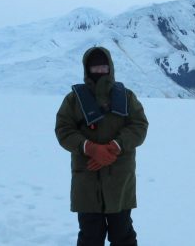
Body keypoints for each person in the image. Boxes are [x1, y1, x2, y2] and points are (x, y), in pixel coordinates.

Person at [55, 46, 149, 246]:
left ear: (110, 68)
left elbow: (139, 126)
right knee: (90, 237)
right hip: (87, 180)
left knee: (123, 235)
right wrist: (90, 148)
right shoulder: (73, 100)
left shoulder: (126, 97)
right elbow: (63, 130)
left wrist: (115, 146)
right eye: (95, 68)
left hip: (119, 181)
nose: (99, 71)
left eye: (103, 67)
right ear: (87, 69)